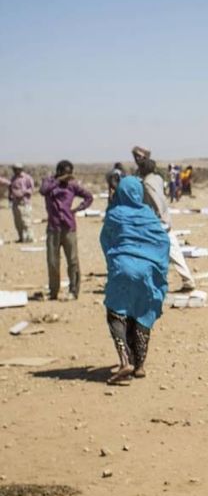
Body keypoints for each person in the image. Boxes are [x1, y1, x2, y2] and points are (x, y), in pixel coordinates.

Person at [100, 176, 170, 385]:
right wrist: (157, 267)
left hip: (123, 268)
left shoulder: (114, 214)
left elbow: (105, 241)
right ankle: (139, 366)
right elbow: (164, 240)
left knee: (116, 313)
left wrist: (115, 260)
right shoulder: (148, 215)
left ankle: (124, 361)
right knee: (141, 314)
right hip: (148, 271)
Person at [137, 157, 197, 292]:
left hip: (157, 223)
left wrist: (156, 219)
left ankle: (149, 284)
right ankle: (188, 280)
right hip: (166, 221)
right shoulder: (157, 179)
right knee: (174, 252)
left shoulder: (147, 183)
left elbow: (155, 202)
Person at [40, 160, 93, 300]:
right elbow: (43, 191)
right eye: (65, 173)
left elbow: (89, 197)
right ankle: (53, 291)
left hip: (69, 227)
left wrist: (77, 209)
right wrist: (58, 181)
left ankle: (74, 290)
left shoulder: (72, 186)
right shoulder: (49, 182)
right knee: (53, 261)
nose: (68, 176)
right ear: (58, 172)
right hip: (53, 227)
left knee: (73, 260)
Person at [3, 164, 36, 243]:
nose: (15, 170)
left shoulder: (27, 178)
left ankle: (29, 238)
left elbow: (31, 189)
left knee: (26, 221)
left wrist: (23, 192)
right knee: (18, 222)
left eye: (16, 169)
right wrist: (11, 197)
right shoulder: (13, 178)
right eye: (14, 169)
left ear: (20, 169)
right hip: (15, 203)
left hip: (24, 202)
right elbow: (11, 188)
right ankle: (21, 238)